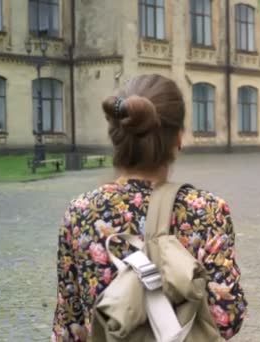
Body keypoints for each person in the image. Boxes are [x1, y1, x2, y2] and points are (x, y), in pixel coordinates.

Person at [52, 74, 247, 341]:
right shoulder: (208, 211)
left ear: (116, 136)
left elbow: (69, 325)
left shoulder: (80, 213)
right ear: (178, 138)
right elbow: (226, 318)